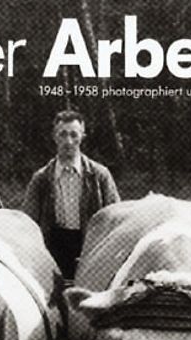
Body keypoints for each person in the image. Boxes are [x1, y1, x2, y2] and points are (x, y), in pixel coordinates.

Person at [22, 109, 120, 281]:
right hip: (53, 250)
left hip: (92, 249)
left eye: (74, 135)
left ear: (83, 136)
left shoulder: (100, 176)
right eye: (63, 134)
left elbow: (116, 220)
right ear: (54, 137)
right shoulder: (41, 179)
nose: (68, 141)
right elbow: (27, 223)